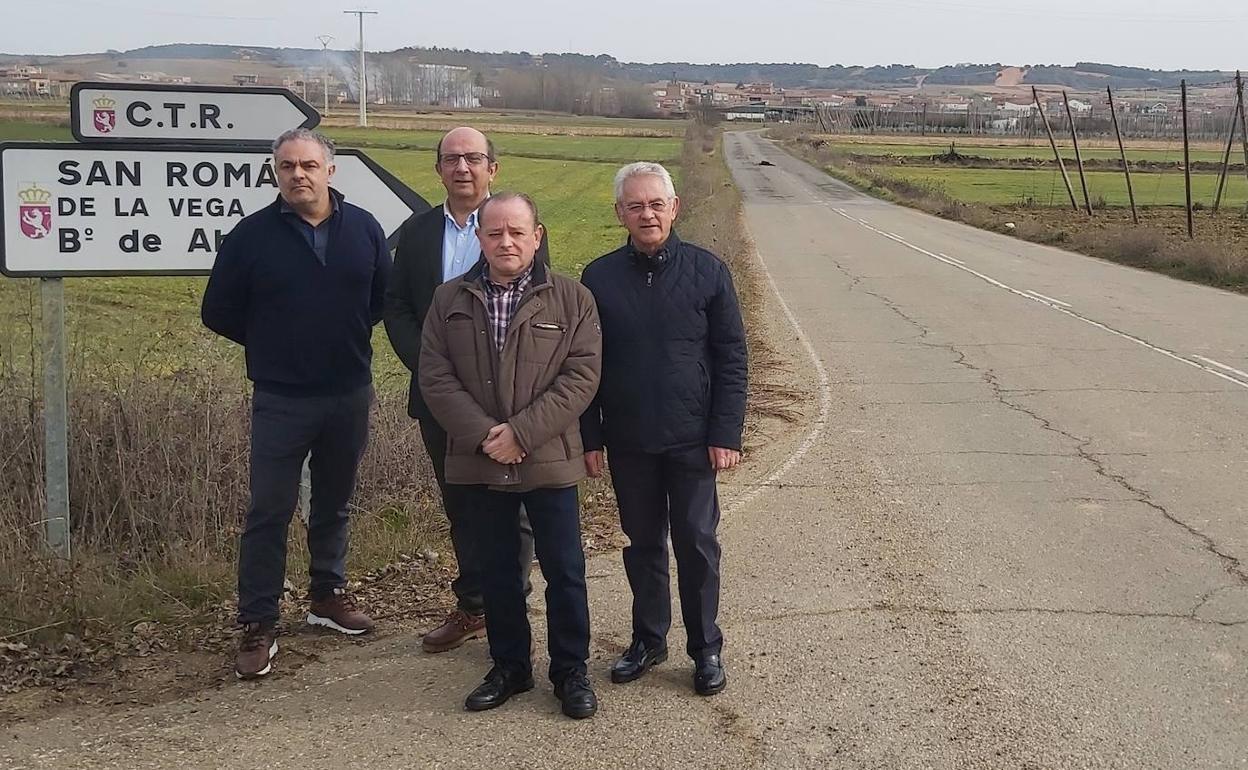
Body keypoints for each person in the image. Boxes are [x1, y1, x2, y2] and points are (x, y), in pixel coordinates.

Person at [201, 128, 389, 680]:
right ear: (274, 173)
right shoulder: (251, 236)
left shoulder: (364, 229)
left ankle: (327, 597)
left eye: (308, 165)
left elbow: (382, 297)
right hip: (281, 397)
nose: (298, 175)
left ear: (331, 171)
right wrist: (273, 343)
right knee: (269, 510)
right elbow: (218, 311)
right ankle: (259, 622)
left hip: (349, 391)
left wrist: (339, 338)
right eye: (287, 167)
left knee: (335, 501)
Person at [419, 192, 602, 719]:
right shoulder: (448, 299)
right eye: (495, 232)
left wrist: (522, 432)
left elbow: (581, 377)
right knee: (497, 571)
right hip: (480, 460)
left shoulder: (572, 299)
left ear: (536, 236)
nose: (506, 242)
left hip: (548, 459)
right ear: (480, 237)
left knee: (565, 571)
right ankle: (510, 667)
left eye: (517, 232)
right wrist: (484, 435)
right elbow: (435, 376)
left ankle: (571, 672)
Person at [580, 161, 747, 697]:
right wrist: (590, 437)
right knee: (643, 544)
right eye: (635, 205)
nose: (646, 213)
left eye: (656, 203)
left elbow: (731, 358)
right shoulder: (598, 278)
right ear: (619, 214)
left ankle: (706, 650)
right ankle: (649, 640)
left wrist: (726, 432)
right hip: (629, 440)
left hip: (694, 438)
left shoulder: (708, 272)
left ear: (674, 208)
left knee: (697, 543)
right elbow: (583, 366)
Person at [384, 127, 545, 653]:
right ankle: (474, 605)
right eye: (452, 159)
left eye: (474, 158)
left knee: (512, 502)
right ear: (438, 169)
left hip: (506, 400)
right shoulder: (416, 233)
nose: (462, 168)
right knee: (460, 503)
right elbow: (400, 310)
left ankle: (510, 605)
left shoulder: (512, 227)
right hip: (439, 398)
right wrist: (433, 370)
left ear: (492, 169)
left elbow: (535, 310)